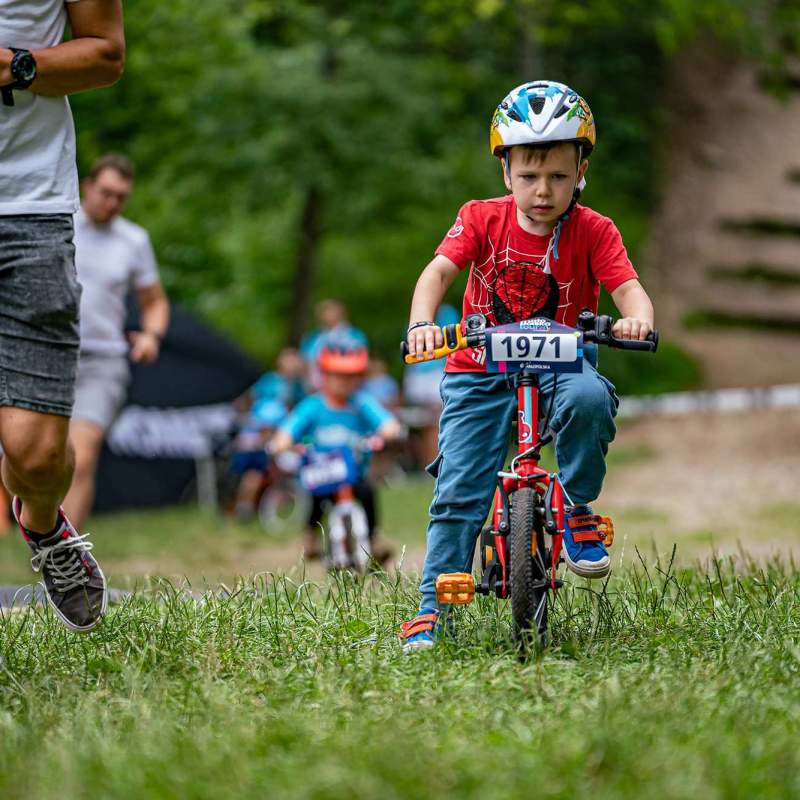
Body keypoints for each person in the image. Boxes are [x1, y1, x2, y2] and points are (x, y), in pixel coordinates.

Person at [399, 81, 655, 652]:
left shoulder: (595, 231)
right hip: (479, 368)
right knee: (461, 488)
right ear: (505, 173)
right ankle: (428, 608)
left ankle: (576, 504)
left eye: (559, 177)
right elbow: (437, 273)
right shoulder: (479, 219)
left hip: (563, 364)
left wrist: (634, 319)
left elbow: (630, 290)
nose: (543, 191)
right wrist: (422, 324)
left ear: (581, 170)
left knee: (589, 400)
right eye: (529, 176)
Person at [0, 1, 124, 632]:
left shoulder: (131, 242)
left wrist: (16, 67)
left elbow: (106, 53)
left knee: (37, 456)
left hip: (28, 207)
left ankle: (44, 526)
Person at [62, 154, 170, 531]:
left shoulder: (134, 240)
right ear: (87, 186)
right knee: (35, 457)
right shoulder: (58, 226)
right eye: (105, 192)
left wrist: (151, 336)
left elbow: (154, 300)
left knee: (82, 456)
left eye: (121, 197)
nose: (111, 202)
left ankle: (65, 560)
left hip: (102, 362)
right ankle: (39, 534)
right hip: (49, 356)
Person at [271, 334, 402, 563]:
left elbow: (386, 423)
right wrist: (282, 442)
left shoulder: (361, 403)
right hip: (323, 473)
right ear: (324, 376)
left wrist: (389, 431)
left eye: (350, 376)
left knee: (368, 493)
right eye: (338, 376)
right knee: (315, 497)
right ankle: (310, 536)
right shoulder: (313, 405)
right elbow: (288, 430)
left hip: (354, 474)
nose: (344, 382)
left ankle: (373, 539)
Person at [300, 299, 367, 388]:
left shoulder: (354, 335)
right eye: (324, 312)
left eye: (332, 311)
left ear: (342, 313)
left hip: (349, 386)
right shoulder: (312, 337)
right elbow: (305, 361)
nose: (328, 315)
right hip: (316, 387)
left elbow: (362, 360)